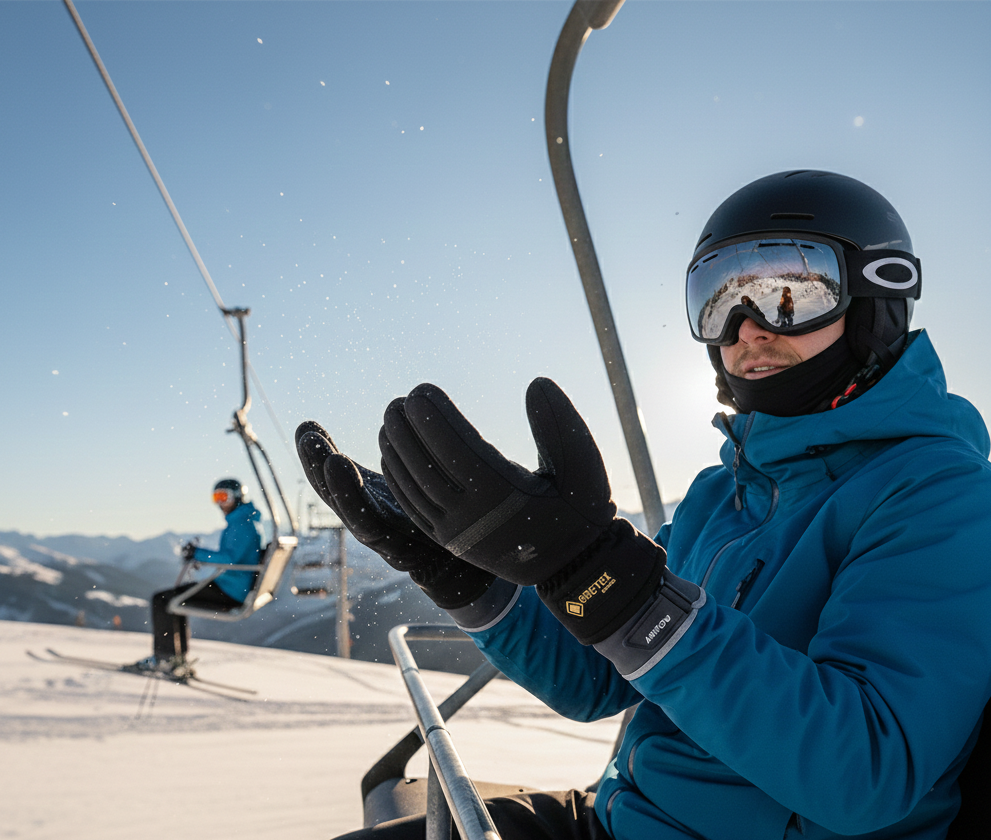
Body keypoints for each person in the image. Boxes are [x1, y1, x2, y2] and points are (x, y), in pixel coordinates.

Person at [297, 170, 991, 840]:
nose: (746, 330)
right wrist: (470, 582)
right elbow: (598, 681)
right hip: (627, 819)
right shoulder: (724, 493)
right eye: (718, 301)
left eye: (788, 294)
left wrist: (622, 590)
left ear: (876, 304)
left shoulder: (941, 494)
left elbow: (866, 770)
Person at [136, 478, 262, 674]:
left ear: (237, 497)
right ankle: (176, 658)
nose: (220, 503)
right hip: (233, 585)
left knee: (162, 600)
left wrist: (197, 553)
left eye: (224, 497)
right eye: (216, 497)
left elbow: (230, 559)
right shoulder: (243, 521)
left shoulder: (242, 525)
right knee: (175, 599)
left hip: (230, 590)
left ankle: (166, 658)